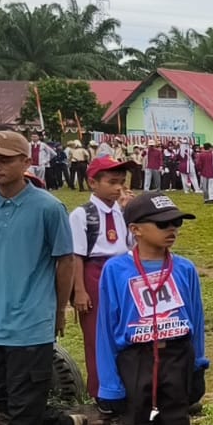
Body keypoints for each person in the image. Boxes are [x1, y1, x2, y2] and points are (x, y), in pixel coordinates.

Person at [94, 192, 206, 425]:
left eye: (176, 223)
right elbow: (107, 327)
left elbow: (197, 322)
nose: (172, 230)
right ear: (137, 230)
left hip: (176, 358)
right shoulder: (116, 270)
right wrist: (109, 383)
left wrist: (198, 366)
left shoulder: (184, 269)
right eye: (163, 224)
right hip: (136, 361)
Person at [0, 131, 86, 425]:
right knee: (6, 397)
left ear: (26, 162)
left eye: (6, 159)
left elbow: (65, 260)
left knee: (24, 396)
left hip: (30, 318)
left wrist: (60, 309)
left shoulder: (48, 208)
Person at [69, 157, 133, 399]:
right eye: (112, 182)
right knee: (96, 336)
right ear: (93, 183)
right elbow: (76, 254)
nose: (118, 188)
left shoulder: (121, 211)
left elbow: (130, 244)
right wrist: (80, 291)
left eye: (122, 182)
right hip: (94, 272)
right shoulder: (82, 214)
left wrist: (131, 213)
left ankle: (125, 386)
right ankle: (100, 392)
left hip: (120, 273)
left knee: (123, 331)